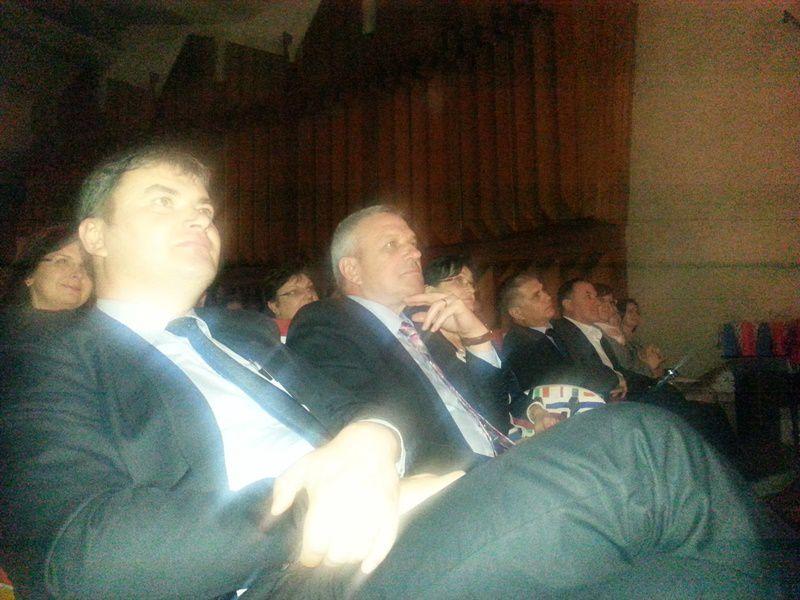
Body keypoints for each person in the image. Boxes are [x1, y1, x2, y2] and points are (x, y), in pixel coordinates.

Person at [1, 149, 789, 599]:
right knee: (644, 454)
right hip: (280, 581)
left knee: (676, 571)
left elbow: (376, 416)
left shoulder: (239, 335)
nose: (198, 216)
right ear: (94, 235)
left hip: (396, 536)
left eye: (204, 207)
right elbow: (80, 560)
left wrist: (376, 443)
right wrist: (327, 499)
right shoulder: (42, 353)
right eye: (164, 201)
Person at [501, 272, 617, 432]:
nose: (548, 297)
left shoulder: (556, 330)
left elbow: (584, 364)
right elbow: (561, 380)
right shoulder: (520, 343)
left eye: (544, 291)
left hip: (591, 406)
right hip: (564, 422)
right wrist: (612, 377)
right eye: (536, 296)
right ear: (517, 313)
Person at [1, 225, 92, 312]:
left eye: (87, 267)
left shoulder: (99, 322)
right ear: (30, 274)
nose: (79, 274)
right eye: (62, 261)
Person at [263, 264, 319, 342]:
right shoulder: (266, 341)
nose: (309, 295)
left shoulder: (327, 328)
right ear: (274, 307)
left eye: (310, 288)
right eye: (294, 292)